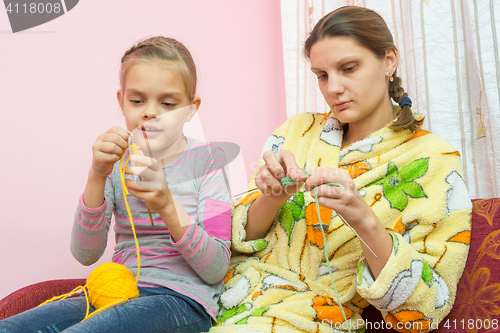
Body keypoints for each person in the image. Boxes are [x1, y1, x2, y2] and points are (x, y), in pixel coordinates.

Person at [212, 6, 471, 333]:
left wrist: (362, 217)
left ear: (389, 61)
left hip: (310, 318)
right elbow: (230, 242)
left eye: (348, 68)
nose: (332, 88)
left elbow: (425, 305)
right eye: (322, 75)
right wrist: (272, 198)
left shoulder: (433, 157)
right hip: (218, 295)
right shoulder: (298, 131)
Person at [0, 36, 232, 333]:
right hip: (115, 290)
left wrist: (166, 205)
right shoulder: (116, 164)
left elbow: (215, 270)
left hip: (180, 300)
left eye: (168, 103)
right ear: (121, 101)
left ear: (190, 108)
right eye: (137, 101)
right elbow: (85, 254)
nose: (149, 112)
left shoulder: (210, 161)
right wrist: (97, 173)